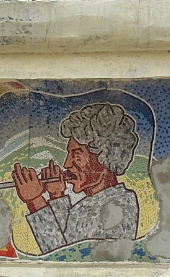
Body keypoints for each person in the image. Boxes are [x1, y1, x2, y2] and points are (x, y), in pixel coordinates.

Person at [12, 103, 140, 255]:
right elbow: (68, 237)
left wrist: (35, 200)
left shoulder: (117, 207)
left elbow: (62, 256)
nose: (67, 164)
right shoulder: (98, 201)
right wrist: (56, 195)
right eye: (69, 154)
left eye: (77, 156)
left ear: (104, 158)